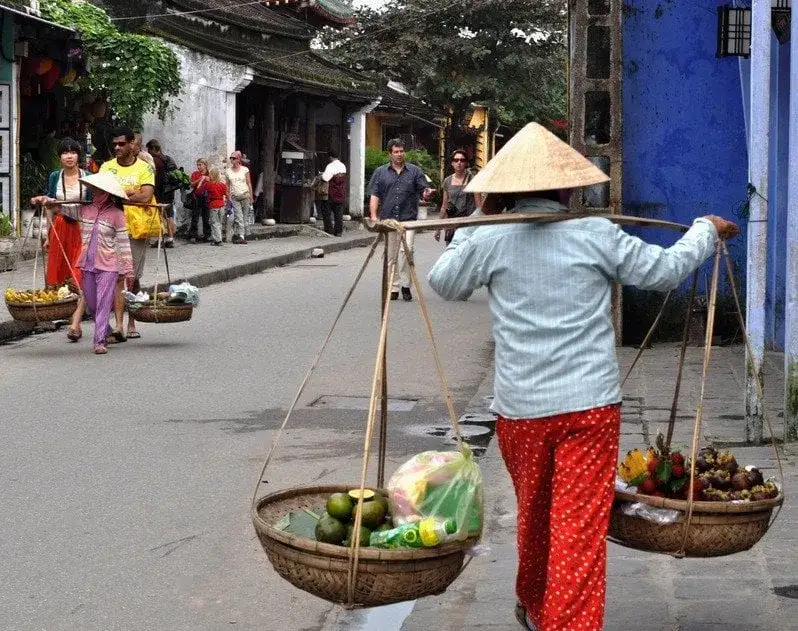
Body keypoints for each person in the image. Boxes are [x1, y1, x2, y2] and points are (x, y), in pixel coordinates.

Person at [427, 123, 739, 631]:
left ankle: (536, 606)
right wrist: (704, 229)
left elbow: (446, 282)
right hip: (588, 409)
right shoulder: (595, 233)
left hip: (521, 412)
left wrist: (479, 218)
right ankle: (550, 613)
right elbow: (662, 271)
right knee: (576, 531)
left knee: (537, 517)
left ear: (504, 192)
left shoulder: (490, 237)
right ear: (567, 188)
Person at [53, 172, 133, 355]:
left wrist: (128, 270)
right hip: (88, 263)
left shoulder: (117, 214)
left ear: (106, 193)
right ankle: (106, 330)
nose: (94, 193)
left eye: (98, 190)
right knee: (92, 302)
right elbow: (63, 209)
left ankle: (99, 341)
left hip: (109, 265)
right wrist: (47, 201)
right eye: (93, 190)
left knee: (104, 302)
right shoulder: (86, 209)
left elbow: (123, 243)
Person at [31, 138, 92, 342]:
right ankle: (65, 313)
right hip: (60, 228)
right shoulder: (55, 176)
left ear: (78, 156)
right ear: (60, 157)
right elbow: (50, 206)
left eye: (73, 152)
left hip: (82, 228)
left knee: (79, 275)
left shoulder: (88, 177)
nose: (69, 156)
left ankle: (76, 322)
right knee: (59, 274)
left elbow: (92, 206)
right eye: (65, 153)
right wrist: (48, 235)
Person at [100, 126, 156, 341]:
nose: (117, 147)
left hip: (137, 228)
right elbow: (103, 196)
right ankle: (119, 325)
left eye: (122, 144)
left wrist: (120, 197)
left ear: (132, 145)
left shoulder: (145, 169)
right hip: (111, 227)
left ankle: (131, 320)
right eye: (115, 144)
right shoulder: (106, 167)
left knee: (131, 276)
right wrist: (131, 193)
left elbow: (146, 197)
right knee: (117, 275)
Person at [369, 138, 435, 301]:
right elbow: (375, 195)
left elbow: (423, 191)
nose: (399, 154)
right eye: (396, 152)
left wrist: (427, 193)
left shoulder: (414, 171)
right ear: (390, 154)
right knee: (391, 256)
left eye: (401, 151)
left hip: (409, 219)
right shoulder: (380, 172)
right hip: (389, 220)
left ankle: (406, 285)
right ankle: (394, 286)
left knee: (407, 251)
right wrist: (374, 216)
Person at [434, 149, 481, 245]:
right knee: (451, 252)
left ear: (466, 163)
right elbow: (444, 205)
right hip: (452, 223)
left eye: (462, 160)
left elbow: (479, 205)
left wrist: (481, 225)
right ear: (452, 163)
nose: (459, 163)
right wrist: (438, 228)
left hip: (468, 223)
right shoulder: (447, 181)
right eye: (456, 160)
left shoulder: (473, 179)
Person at [146, 139, 178, 248]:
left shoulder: (155, 161)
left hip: (160, 192)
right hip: (169, 191)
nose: (148, 152)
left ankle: (161, 239)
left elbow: (155, 179)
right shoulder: (167, 158)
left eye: (149, 149)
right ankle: (170, 238)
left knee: (160, 216)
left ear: (153, 149)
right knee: (169, 215)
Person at [225, 150, 253, 244]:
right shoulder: (228, 171)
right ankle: (241, 236)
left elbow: (249, 183)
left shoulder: (245, 169)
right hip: (235, 197)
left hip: (245, 195)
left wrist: (251, 196)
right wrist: (228, 197)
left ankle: (238, 235)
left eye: (234, 158)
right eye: (231, 158)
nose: (232, 160)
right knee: (238, 217)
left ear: (238, 159)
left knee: (244, 218)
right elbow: (227, 186)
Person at [321, 150, 347, 237]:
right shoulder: (343, 166)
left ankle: (329, 230)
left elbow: (325, 178)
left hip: (331, 193)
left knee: (326, 212)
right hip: (340, 193)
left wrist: (321, 175)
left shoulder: (330, 166)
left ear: (330, 157)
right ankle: (338, 231)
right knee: (338, 214)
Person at [201, 169, 227, 246]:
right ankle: (218, 238)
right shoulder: (222, 184)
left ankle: (218, 240)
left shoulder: (208, 184)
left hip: (213, 204)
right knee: (219, 223)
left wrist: (202, 181)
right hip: (221, 204)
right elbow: (225, 194)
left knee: (214, 223)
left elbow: (200, 191)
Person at [189, 158, 212, 243]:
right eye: (197, 165)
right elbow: (191, 184)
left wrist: (209, 180)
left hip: (207, 198)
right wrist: (200, 179)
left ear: (205, 165)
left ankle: (207, 235)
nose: (198, 167)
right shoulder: (195, 174)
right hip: (196, 197)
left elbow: (214, 184)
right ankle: (193, 235)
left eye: (200, 165)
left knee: (206, 217)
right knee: (195, 216)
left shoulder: (210, 174)